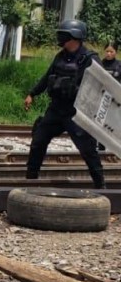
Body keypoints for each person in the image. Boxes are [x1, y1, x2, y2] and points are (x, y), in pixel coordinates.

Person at [23, 19, 105, 189]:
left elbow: (101, 86)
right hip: (56, 109)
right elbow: (47, 77)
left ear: (75, 37)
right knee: (38, 140)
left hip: (76, 113)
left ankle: (100, 185)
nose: (60, 38)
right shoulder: (60, 56)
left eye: (64, 35)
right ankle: (30, 179)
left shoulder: (90, 59)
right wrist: (32, 93)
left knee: (88, 150)